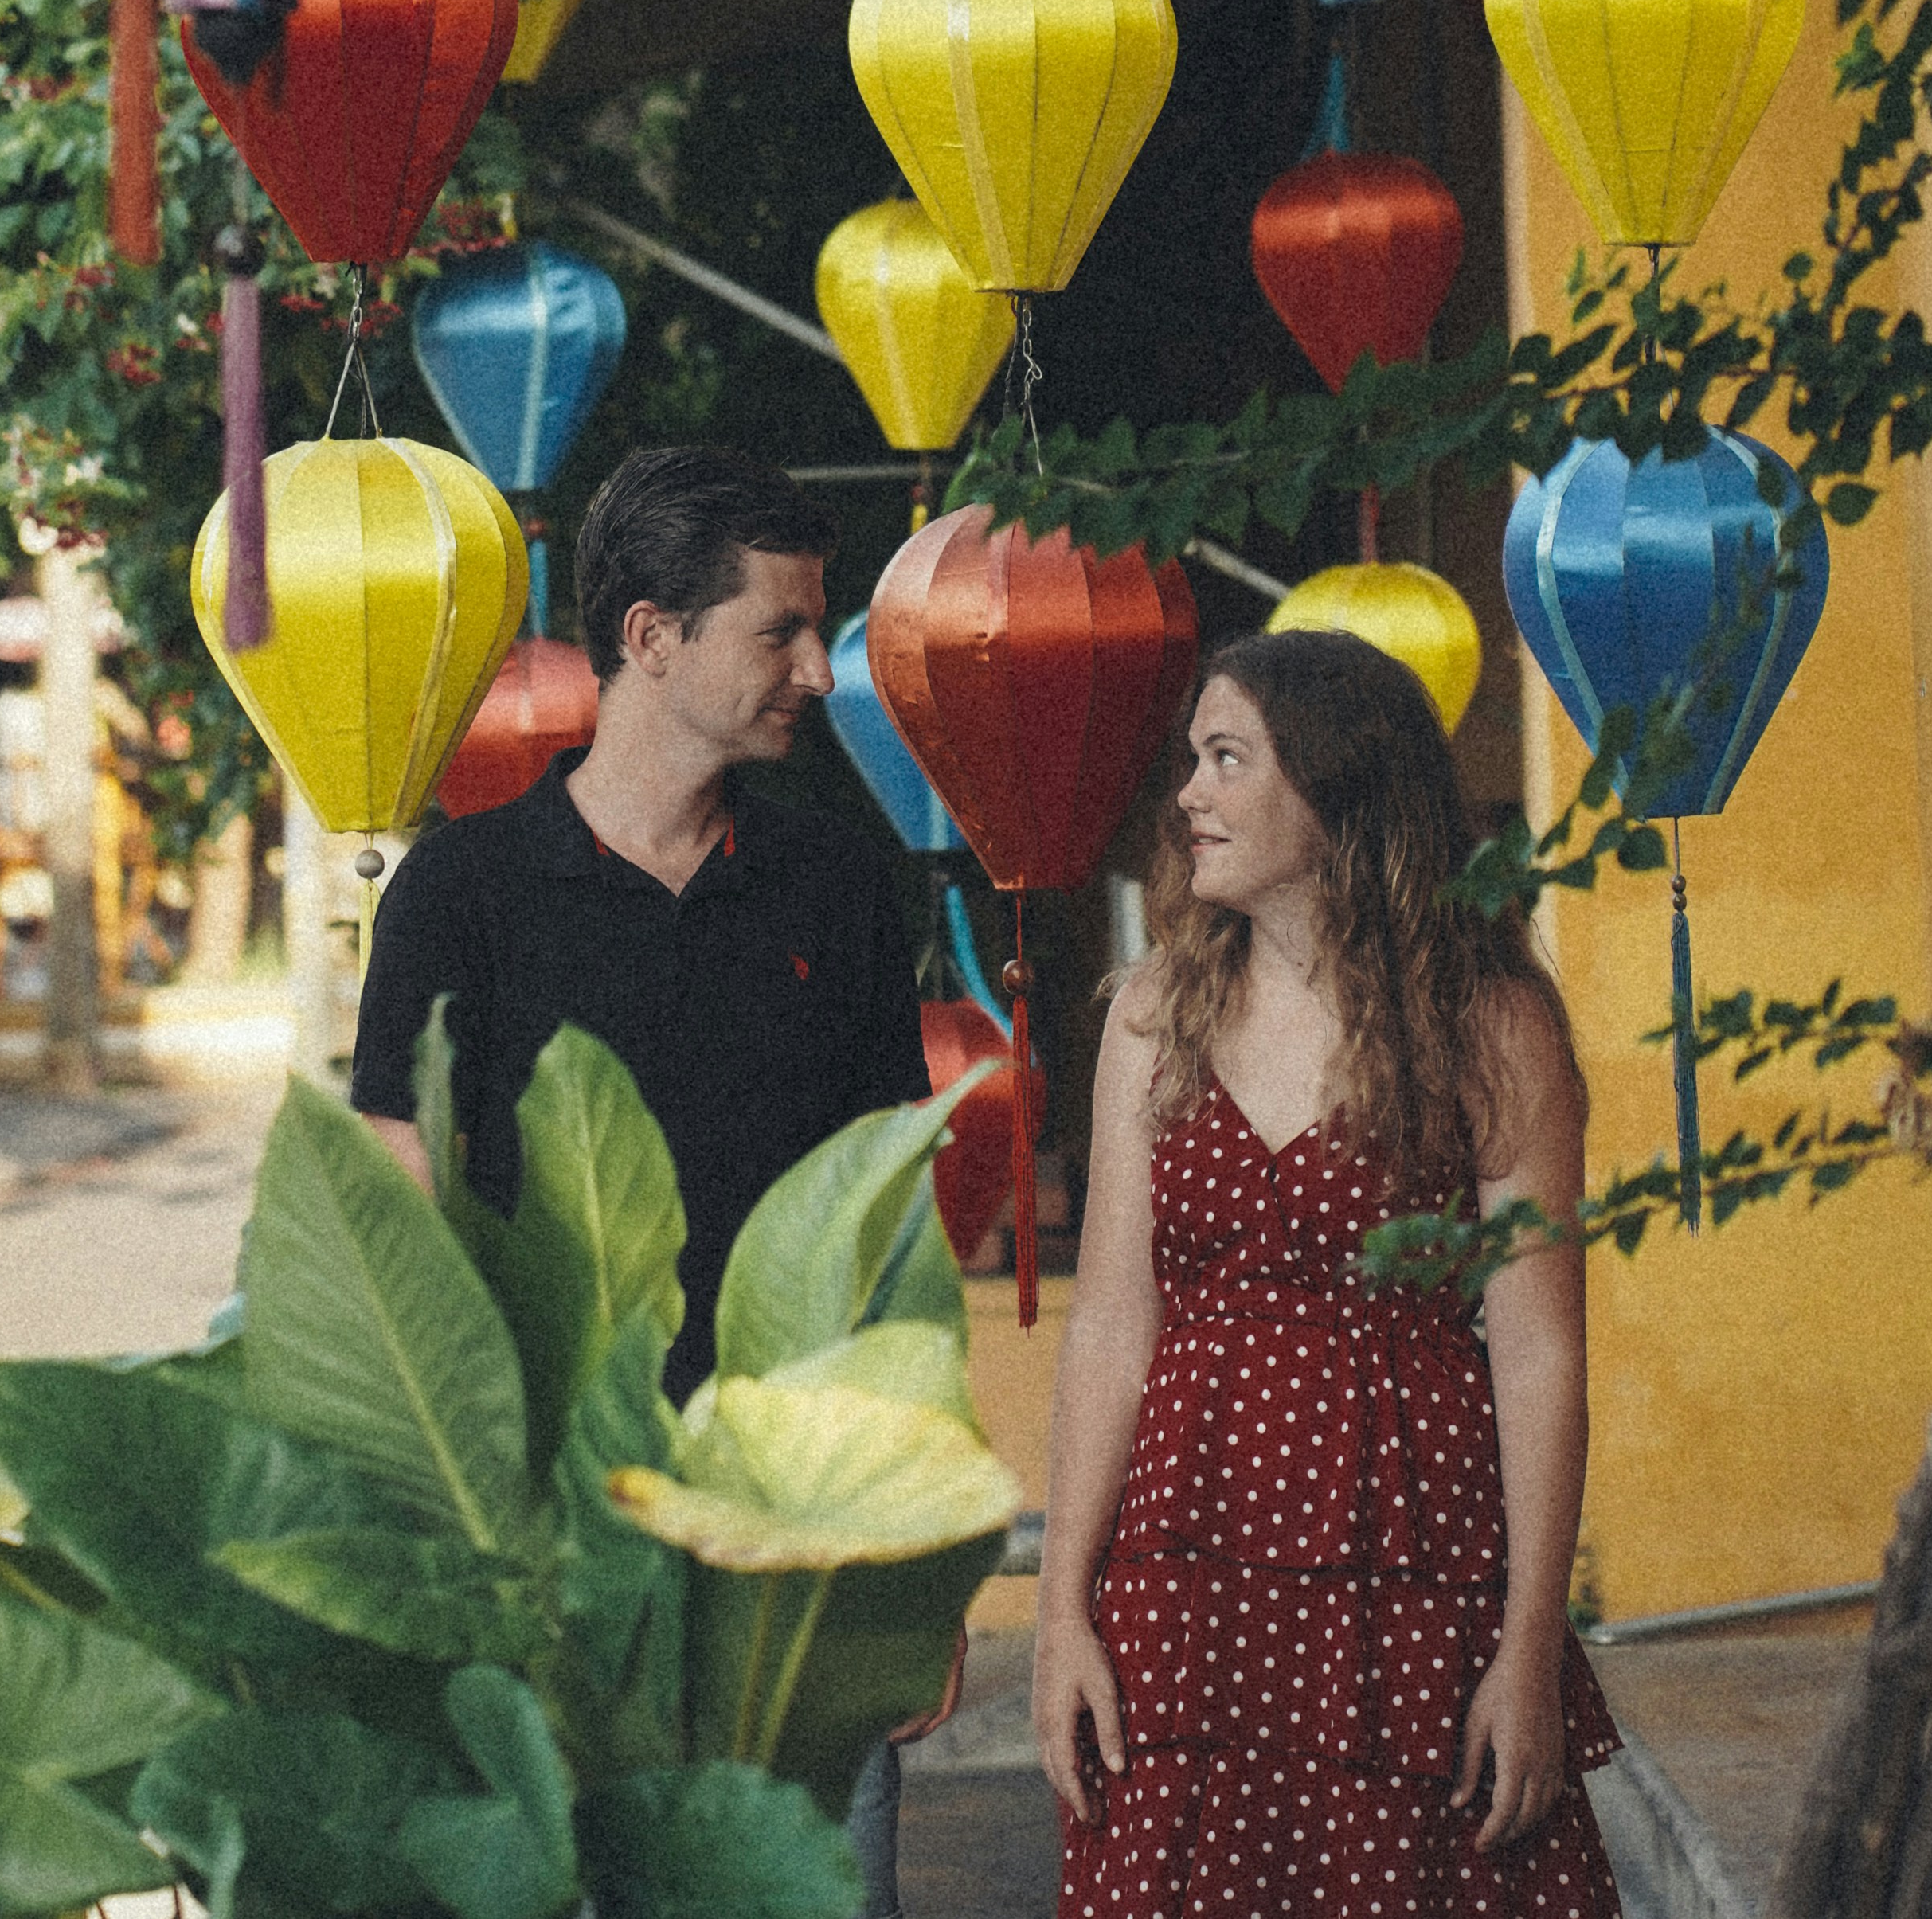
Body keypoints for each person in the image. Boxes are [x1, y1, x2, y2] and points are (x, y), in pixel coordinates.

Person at [350, 442, 948, 1910]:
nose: (819, 667)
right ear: (650, 636)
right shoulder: (458, 897)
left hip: (793, 1553)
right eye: (780, 631)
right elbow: (398, 1224)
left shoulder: (838, 886)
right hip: (556, 1558)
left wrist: (910, 1569)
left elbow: (887, 1234)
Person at [1034, 627, 1621, 1917]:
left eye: (1226, 756)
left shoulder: (1486, 1020)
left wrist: (1528, 1650)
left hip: (1414, 1586)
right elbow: (1109, 1328)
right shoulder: (1149, 1013)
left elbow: (1538, 1349)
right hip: (1183, 1595)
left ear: (1335, 787)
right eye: (1191, 756)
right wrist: (1062, 1609)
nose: (1188, 791)